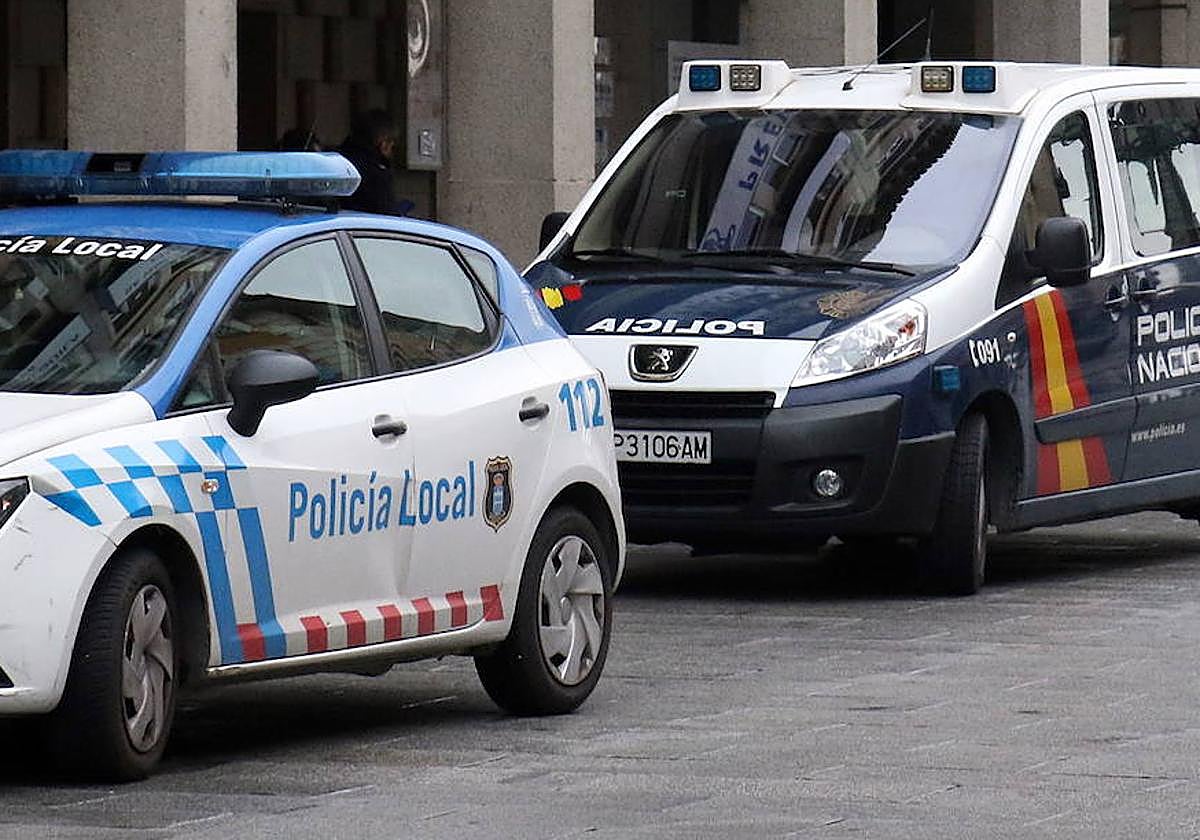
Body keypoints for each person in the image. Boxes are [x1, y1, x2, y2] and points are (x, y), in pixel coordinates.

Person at [338, 110, 408, 214]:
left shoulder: (337, 162)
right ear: (383, 143)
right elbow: (387, 215)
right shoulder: (377, 175)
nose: (392, 146)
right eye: (391, 141)